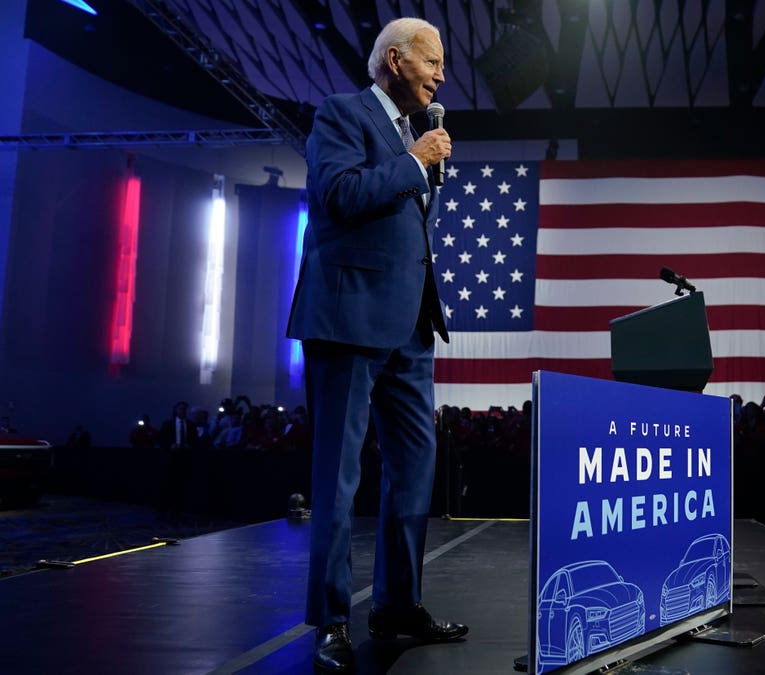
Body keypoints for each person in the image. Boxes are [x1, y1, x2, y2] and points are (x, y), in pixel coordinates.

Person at [285, 16, 463, 673]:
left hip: (411, 327)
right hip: (346, 320)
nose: (442, 74)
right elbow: (336, 195)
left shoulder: (409, 134)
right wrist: (414, 163)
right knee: (338, 476)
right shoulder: (341, 114)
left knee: (414, 468)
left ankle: (397, 605)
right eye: (432, 62)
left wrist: (415, 162)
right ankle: (331, 617)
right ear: (394, 60)